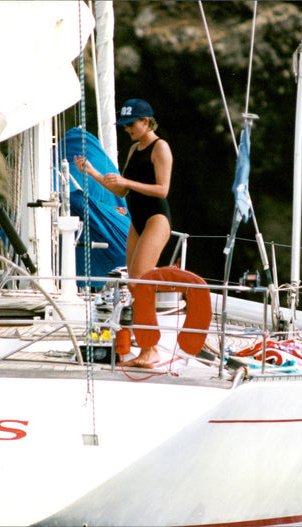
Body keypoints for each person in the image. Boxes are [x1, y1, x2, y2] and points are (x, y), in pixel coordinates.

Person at [74, 99, 172, 368]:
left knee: (140, 283)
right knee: (133, 284)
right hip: (137, 221)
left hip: (155, 219)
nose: (126, 129)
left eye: (131, 124)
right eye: (124, 125)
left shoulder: (160, 147)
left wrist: (126, 181)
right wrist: (92, 172)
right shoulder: (133, 149)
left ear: (146, 122)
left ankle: (151, 349)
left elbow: (162, 190)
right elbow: (121, 191)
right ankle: (145, 347)